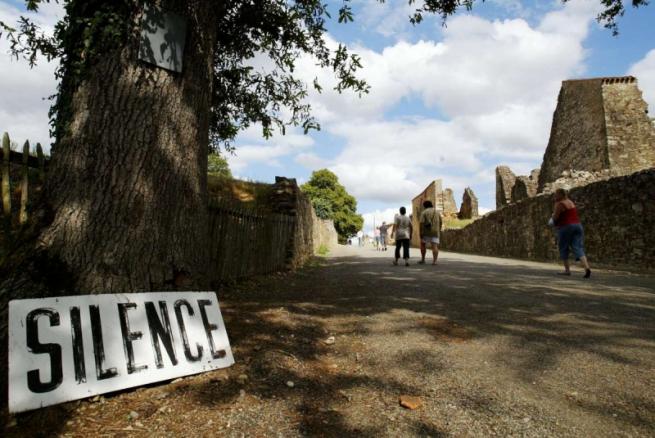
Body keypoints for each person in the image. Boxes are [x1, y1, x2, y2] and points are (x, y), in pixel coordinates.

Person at [551, 188, 591, 278]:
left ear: (561, 195)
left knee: (563, 247)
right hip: (578, 226)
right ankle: (587, 268)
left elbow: (555, 218)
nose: (554, 196)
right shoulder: (570, 202)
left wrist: (552, 219)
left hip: (566, 226)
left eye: (556, 194)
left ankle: (567, 270)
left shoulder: (560, 204)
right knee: (578, 247)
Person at [418, 200, 442, 265]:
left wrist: (420, 232)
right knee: (435, 246)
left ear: (425, 206)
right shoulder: (437, 212)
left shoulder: (424, 212)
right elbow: (440, 222)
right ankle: (435, 261)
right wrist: (439, 230)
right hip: (435, 232)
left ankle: (423, 260)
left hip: (426, 232)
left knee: (423, 244)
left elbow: (421, 223)